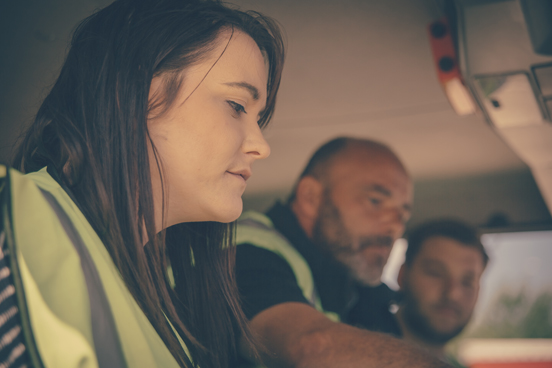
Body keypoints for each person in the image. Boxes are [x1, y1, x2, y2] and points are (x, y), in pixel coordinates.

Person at [2, 0, 284, 367]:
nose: (261, 146)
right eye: (236, 105)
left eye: (258, 118)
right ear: (133, 94)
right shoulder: (13, 221)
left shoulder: (165, 320)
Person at [235, 137, 450, 367]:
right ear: (311, 197)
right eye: (375, 201)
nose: (395, 226)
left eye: (403, 216)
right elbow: (311, 347)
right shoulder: (246, 250)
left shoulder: (341, 281)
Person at [395, 219, 489, 366]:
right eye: (435, 273)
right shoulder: (353, 351)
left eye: (467, 282)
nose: (453, 294)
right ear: (402, 276)